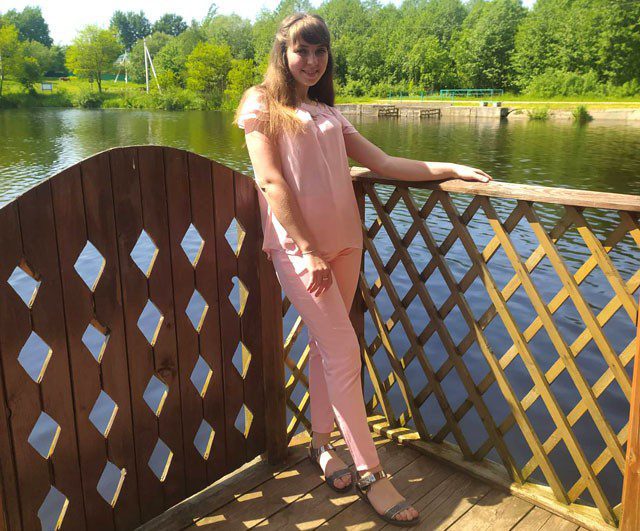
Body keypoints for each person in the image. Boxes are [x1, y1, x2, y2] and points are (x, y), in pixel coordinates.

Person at [234, 12, 492, 527]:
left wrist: (450, 167)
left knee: (326, 349)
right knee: (344, 351)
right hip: (301, 252)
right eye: (302, 51)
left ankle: (322, 446)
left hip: (346, 245)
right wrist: (306, 248)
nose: (311, 61)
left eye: (320, 51)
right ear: (283, 53)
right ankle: (372, 473)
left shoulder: (327, 112)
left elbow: (386, 164)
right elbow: (270, 181)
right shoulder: (261, 102)